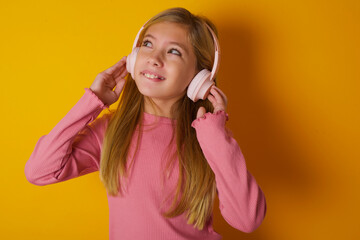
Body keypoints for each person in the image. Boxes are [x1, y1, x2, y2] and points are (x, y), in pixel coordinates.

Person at [25, 7, 266, 240]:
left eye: (174, 51)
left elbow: (247, 220)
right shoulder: (113, 130)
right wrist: (92, 102)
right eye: (148, 44)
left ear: (199, 77)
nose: (153, 58)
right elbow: (39, 171)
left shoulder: (208, 137)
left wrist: (215, 135)